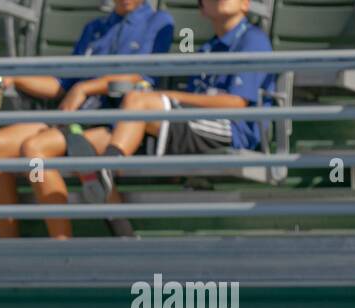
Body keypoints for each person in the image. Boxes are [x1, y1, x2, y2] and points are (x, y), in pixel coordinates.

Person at [0, 0, 174, 239]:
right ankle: (9, 246)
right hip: (71, 119)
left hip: (115, 123)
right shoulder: (94, 27)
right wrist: (14, 79)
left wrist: (85, 89)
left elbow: (142, 78)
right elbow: (62, 84)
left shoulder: (160, 22)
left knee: (35, 152)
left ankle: (62, 246)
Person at [75, 0, 274, 203]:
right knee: (72, 150)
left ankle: (109, 166)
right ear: (202, 8)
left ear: (245, 4)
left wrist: (168, 97)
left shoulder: (253, 39)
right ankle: (120, 228)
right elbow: (62, 81)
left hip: (232, 130)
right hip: (193, 124)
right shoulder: (208, 48)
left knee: (138, 101)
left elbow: (235, 103)